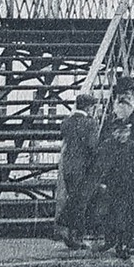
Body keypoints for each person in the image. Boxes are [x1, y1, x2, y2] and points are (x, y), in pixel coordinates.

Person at [91, 112, 134, 259]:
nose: (124, 135)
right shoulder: (107, 146)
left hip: (129, 187)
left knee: (126, 217)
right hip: (111, 187)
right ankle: (110, 240)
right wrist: (101, 182)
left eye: (126, 132)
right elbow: (100, 167)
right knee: (109, 215)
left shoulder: (133, 146)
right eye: (120, 132)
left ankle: (123, 244)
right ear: (114, 133)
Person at [55, 93, 101, 248]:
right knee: (81, 201)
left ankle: (69, 232)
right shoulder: (90, 123)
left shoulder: (66, 122)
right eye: (92, 107)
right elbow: (92, 146)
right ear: (88, 107)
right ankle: (77, 236)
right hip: (83, 167)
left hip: (68, 166)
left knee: (73, 198)